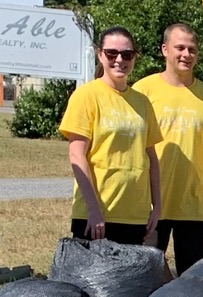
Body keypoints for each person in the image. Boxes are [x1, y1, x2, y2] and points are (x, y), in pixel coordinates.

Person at [135, 22, 203, 271]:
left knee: (190, 279)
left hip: (194, 205)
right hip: (150, 202)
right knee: (146, 274)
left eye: (192, 49)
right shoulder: (143, 91)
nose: (186, 54)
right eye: (180, 48)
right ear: (165, 49)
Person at [59, 29, 162, 246]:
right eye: (111, 53)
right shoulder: (86, 95)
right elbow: (77, 155)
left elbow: (151, 157)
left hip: (135, 215)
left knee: (130, 280)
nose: (119, 60)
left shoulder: (142, 102)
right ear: (100, 55)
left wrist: (157, 207)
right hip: (97, 216)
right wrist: (93, 209)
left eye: (127, 55)